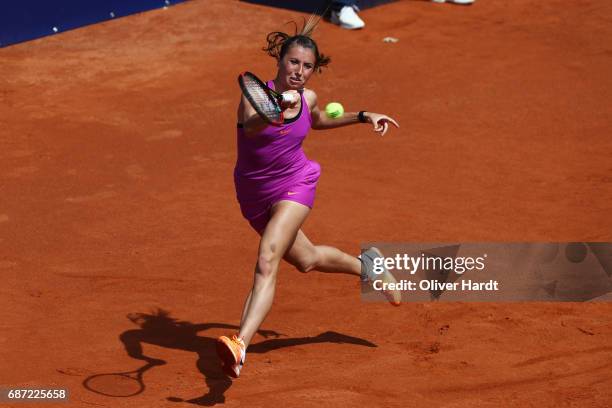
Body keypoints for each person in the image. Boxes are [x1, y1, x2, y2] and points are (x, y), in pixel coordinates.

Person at [216, 23, 401, 379]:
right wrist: (277, 106)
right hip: (253, 193)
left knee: (267, 258)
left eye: (307, 66)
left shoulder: (309, 98)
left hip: (296, 183)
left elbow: (317, 121)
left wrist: (363, 116)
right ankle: (369, 267)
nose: (299, 72)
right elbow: (253, 128)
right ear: (280, 61)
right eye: (293, 63)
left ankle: (240, 344)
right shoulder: (253, 98)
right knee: (307, 259)